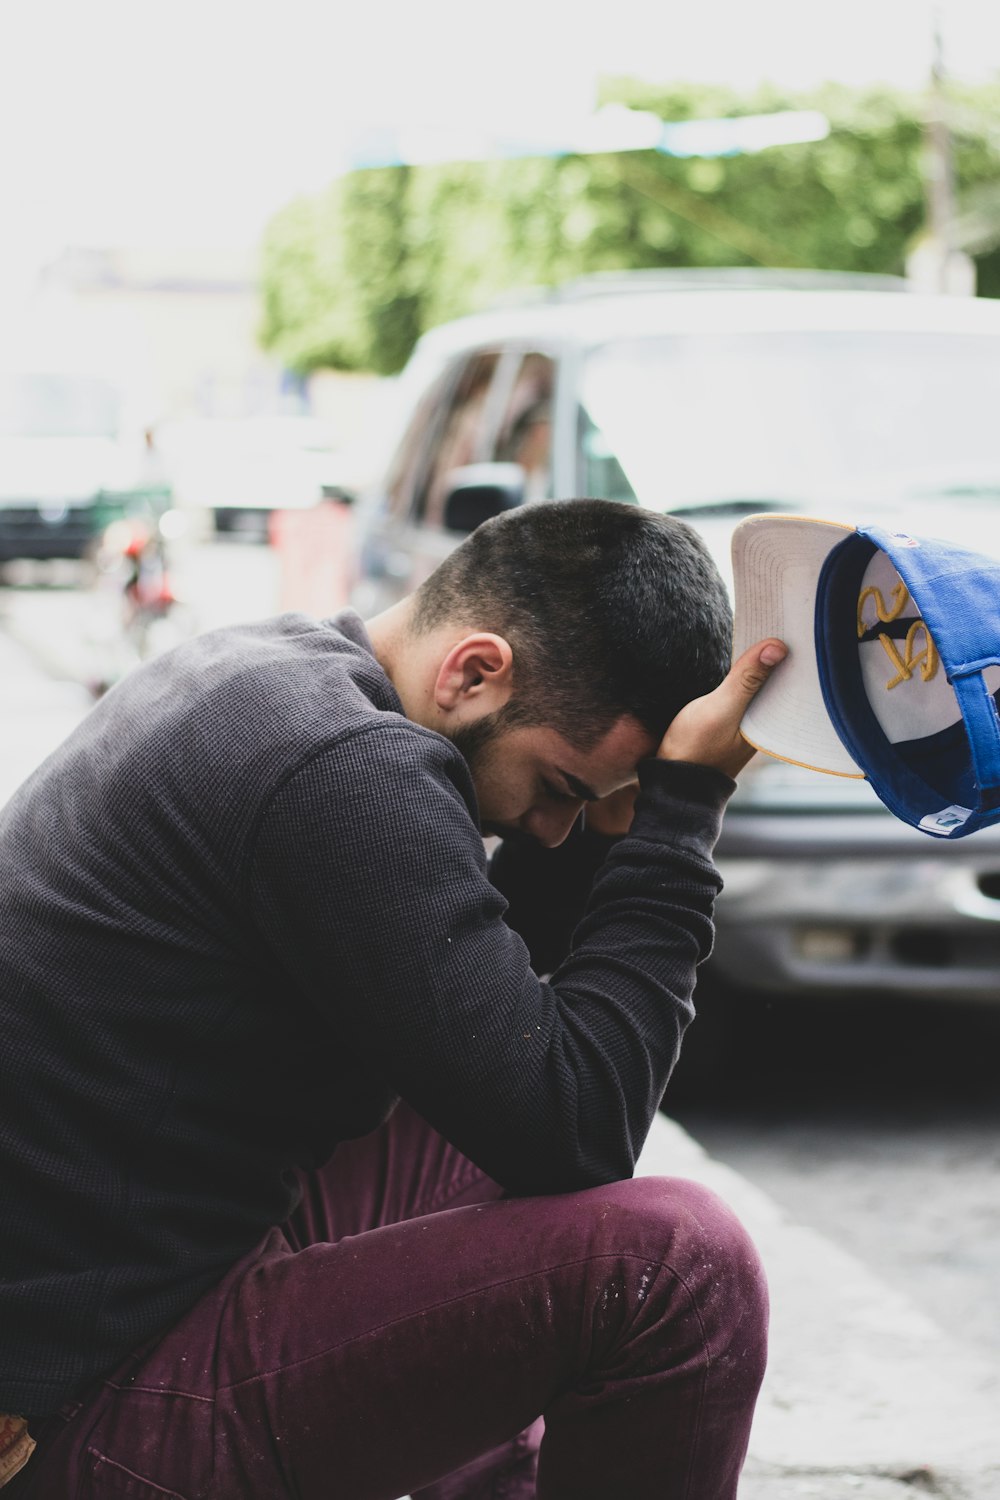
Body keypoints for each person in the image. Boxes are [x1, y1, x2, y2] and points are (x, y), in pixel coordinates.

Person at [0, 498, 785, 1500]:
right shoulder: (345, 772)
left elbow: (512, 1028)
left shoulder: (279, 673)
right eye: (559, 787)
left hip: (99, 1287)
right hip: (69, 1409)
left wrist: (618, 817)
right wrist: (679, 821)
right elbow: (579, 1127)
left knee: (468, 1107)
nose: (553, 831)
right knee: (680, 1267)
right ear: (472, 671)